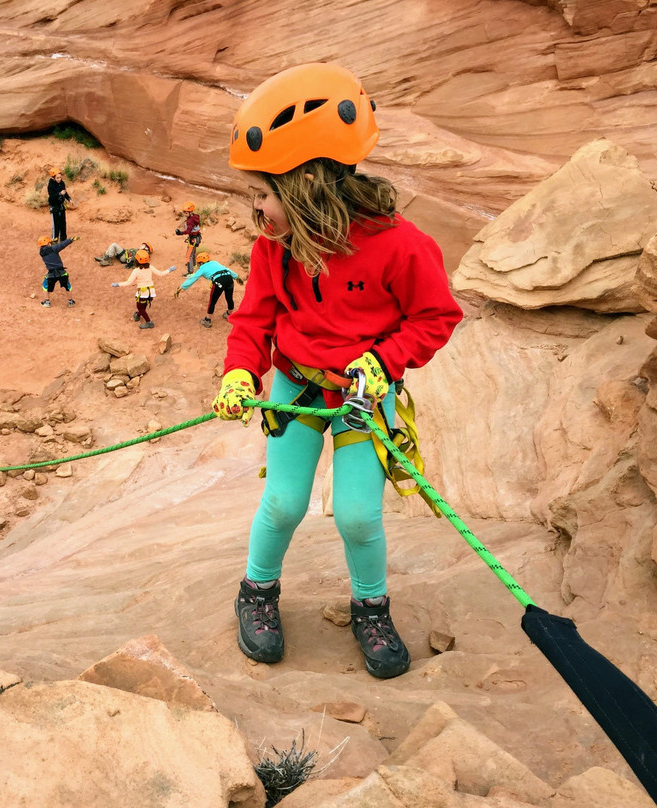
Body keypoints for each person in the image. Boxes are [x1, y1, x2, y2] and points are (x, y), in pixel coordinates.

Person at [213, 63, 463, 679]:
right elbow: (253, 321)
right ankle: (257, 593)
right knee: (283, 503)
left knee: (357, 513)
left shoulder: (402, 247)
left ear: (304, 190)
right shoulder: (276, 247)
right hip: (296, 385)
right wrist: (241, 374)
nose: (255, 206)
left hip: (360, 394)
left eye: (263, 193)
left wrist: (384, 362)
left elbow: (435, 317)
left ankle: (371, 607)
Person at [175, 250, 242, 327]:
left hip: (219, 281)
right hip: (229, 278)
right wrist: (236, 277)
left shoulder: (202, 268)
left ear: (200, 262)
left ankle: (207, 320)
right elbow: (226, 269)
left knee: (212, 301)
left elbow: (193, 278)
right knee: (229, 298)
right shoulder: (215, 262)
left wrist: (182, 287)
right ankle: (229, 315)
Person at [110, 248, 174, 328]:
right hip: (151, 292)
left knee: (140, 308)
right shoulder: (150, 267)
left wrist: (118, 284)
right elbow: (160, 274)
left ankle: (148, 322)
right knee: (143, 307)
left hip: (143, 293)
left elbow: (128, 282)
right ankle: (137, 314)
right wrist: (169, 270)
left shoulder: (136, 271)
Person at [38, 235, 76, 307]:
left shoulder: (41, 253)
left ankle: (47, 302)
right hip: (61, 272)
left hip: (51, 274)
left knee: (45, 286)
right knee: (67, 286)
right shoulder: (53, 249)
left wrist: (52, 243)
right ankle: (71, 302)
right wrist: (71, 240)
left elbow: (49, 249)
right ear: (48, 243)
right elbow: (62, 245)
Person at [175, 203, 202, 275]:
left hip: (193, 239)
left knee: (188, 255)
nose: (185, 214)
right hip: (196, 237)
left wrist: (180, 233)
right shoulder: (195, 216)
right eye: (184, 213)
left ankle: (190, 272)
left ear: (190, 212)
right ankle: (194, 265)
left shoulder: (190, 221)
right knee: (193, 252)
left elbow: (188, 231)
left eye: (186, 213)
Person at [47, 168, 71, 241]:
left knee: (63, 222)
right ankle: (55, 239)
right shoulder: (50, 185)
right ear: (53, 178)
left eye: (60, 177)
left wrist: (69, 199)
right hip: (54, 206)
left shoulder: (62, 183)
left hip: (61, 205)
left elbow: (64, 192)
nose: (59, 179)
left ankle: (63, 238)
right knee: (56, 224)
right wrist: (59, 193)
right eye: (57, 178)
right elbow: (51, 197)